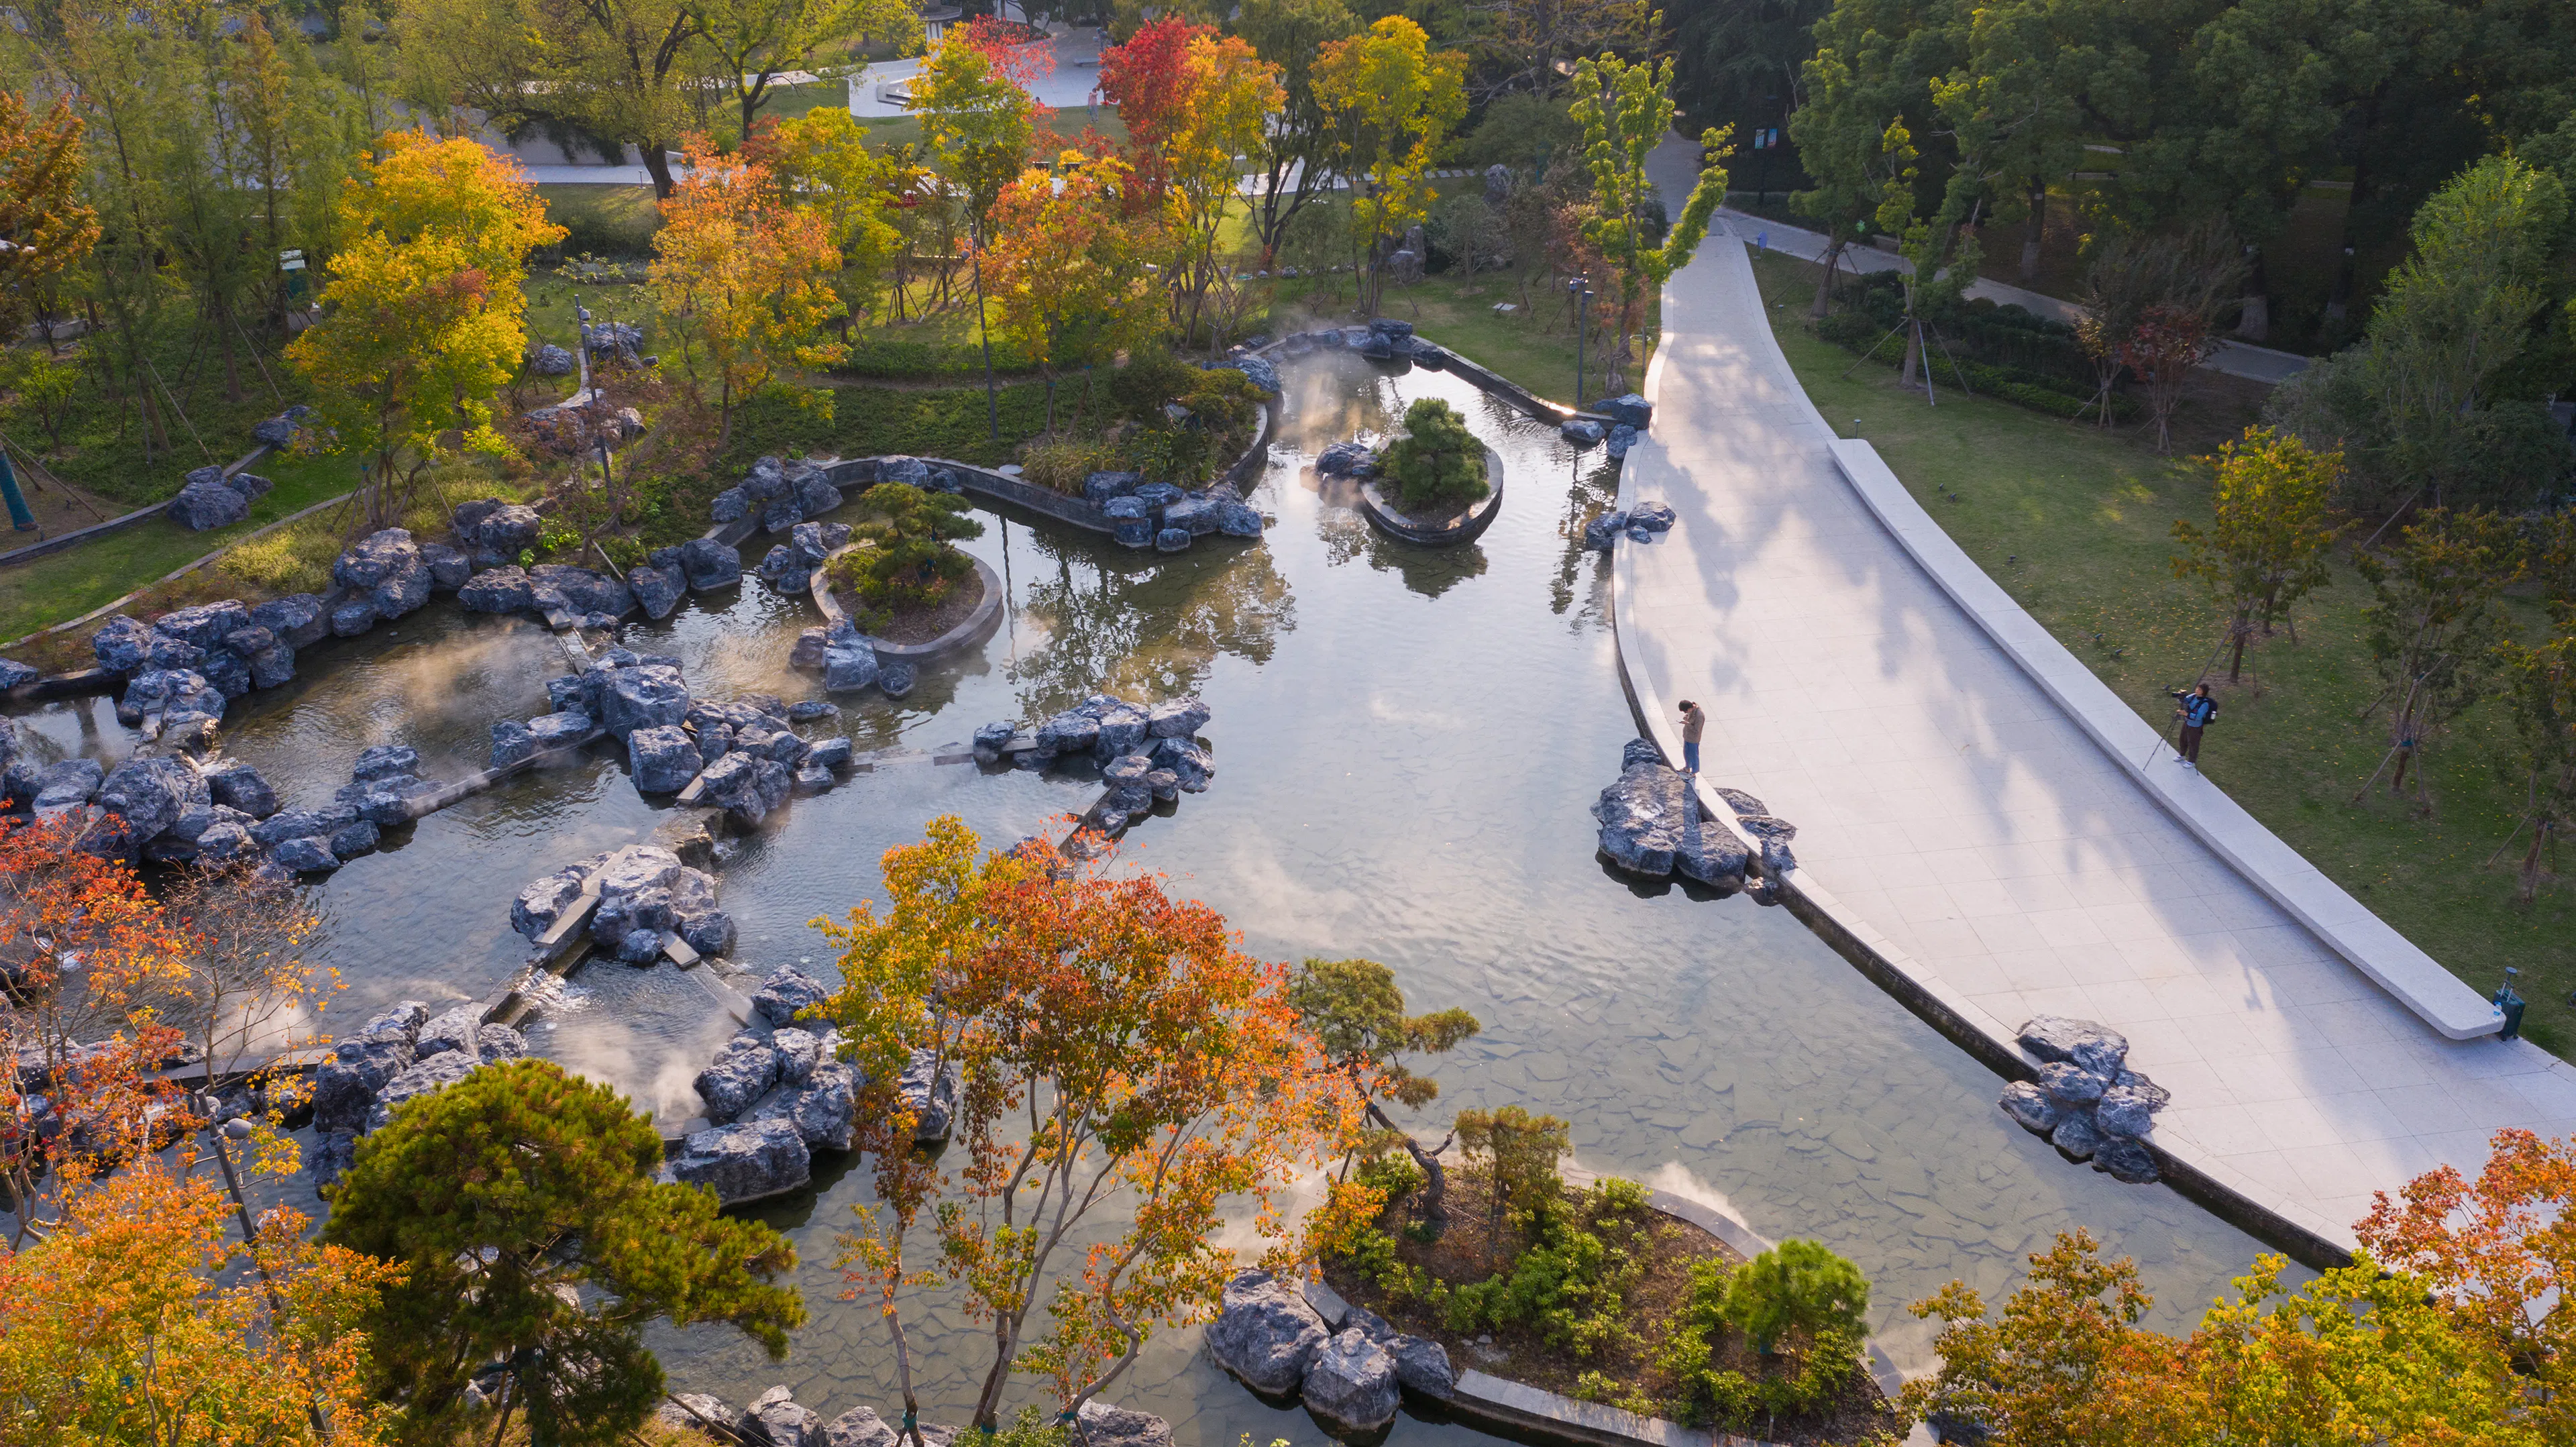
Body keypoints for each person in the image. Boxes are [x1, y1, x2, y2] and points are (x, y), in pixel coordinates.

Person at [2172, 684, 2218, 767]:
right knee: (2183, 739)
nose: (2197, 690)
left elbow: (2198, 717)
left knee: (2193, 743)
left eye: (2200, 690)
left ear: (2204, 692)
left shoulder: (2205, 704)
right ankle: (2182, 755)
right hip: (2187, 723)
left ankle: (2192, 761)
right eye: (2197, 688)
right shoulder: (2193, 696)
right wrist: (2181, 697)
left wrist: (2185, 714)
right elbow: (2185, 700)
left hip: (2195, 726)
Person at [1678, 699, 1706, 775]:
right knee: (1686, 753)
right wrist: (1686, 717)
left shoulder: (1700, 716)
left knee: (1694, 756)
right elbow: (1689, 718)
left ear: (1690, 708)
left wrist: (1687, 724)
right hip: (1687, 736)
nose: (1686, 713)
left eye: (1686, 711)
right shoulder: (1691, 711)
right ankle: (1687, 768)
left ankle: (1694, 773)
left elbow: (1697, 729)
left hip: (1694, 739)